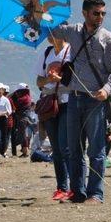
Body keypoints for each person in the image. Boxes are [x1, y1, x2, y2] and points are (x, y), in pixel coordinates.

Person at [51, 0, 111, 203]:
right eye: (96, 13)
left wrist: (107, 89)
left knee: (96, 150)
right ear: (85, 13)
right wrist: (42, 10)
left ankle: (95, 193)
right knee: (74, 149)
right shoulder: (73, 31)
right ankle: (77, 192)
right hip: (74, 98)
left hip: (96, 100)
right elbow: (52, 33)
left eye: (103, 13)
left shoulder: (108, 38)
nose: (100, 17)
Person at [36, 34, 72, 200]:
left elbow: (76, 78)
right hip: (50, 103)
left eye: (52, 32)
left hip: (67, 102)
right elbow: (38, 81)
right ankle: (61, 187)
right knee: (56, 148)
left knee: (66, 146)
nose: (49, 35)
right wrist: (48, 79)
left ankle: (74, 186)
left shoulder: (72, 51)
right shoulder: (46, 53)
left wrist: (60, 79)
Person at [10, 84, 33, 158]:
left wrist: (13, 95)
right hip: (21, 118)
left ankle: (25, 151)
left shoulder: (24, 98)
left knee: (22, 135)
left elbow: (14, 102)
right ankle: (24, 151)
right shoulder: (27, 97)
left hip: (22, 118)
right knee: (23, 134)